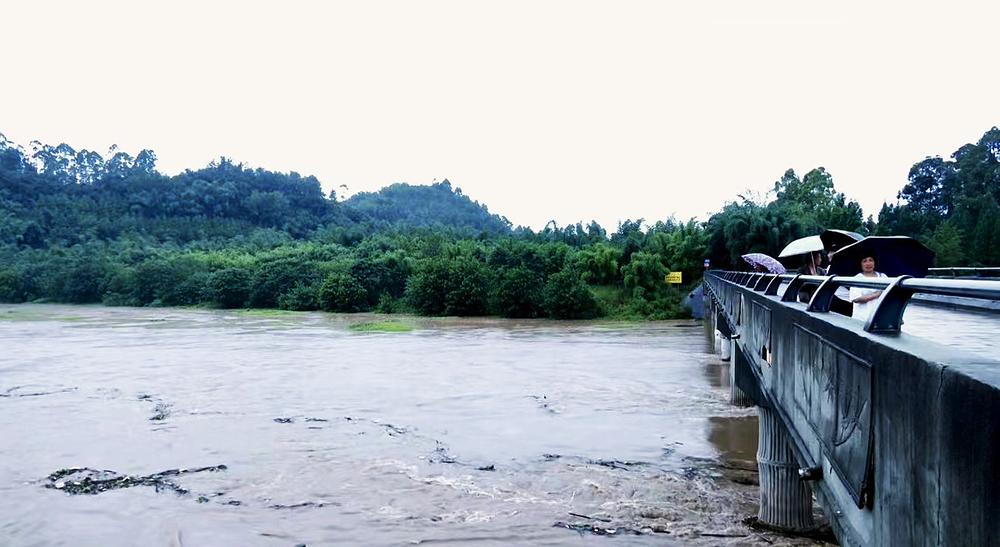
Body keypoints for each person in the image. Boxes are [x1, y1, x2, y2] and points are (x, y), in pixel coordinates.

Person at [849, 255, 887, 321]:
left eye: (871, 260)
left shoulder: (883, 276)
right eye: (864, 261)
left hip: (880, 317)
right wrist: (878, 294)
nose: (868, 263)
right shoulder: (857, 279)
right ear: (860, 264)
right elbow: (856, 299)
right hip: (862, 318)